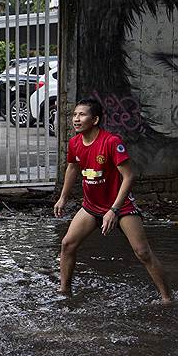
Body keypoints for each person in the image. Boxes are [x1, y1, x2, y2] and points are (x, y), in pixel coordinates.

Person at [54, 98, 172, 304]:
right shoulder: (74, 143)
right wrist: (63, 198)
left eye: (81, 115)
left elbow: (129, 176)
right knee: (67, 244)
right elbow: (72, 168)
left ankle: (167, 298)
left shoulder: (111, 142)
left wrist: (114, 210)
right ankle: (64, 292)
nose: (76, 119)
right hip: (91, 206)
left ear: (95, 119)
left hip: (121, 206)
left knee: (142, 252)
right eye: (74, 115)